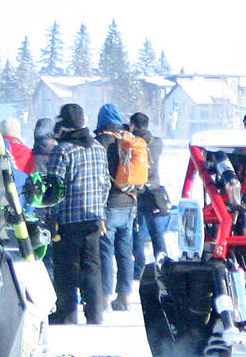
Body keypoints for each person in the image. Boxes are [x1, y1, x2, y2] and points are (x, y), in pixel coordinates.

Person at [47, 104, 110, 324]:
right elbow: (105, 185)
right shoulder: (98, 148)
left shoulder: (62, 150)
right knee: (92, 267)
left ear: (63, 125)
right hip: (93, 217)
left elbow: (55, 187)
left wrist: (50, 215)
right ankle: (95, 314)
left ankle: (67, 313)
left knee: (66, 267)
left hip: (67, 219)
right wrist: (100, 211)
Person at [95, 104, 144, 310]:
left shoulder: (99, 144)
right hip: (129, 201)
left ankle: (105, 295)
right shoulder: (127, 142)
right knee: (124, 250)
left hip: (109, 203)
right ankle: (124, 296)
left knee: (105, 250)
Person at [130, 112, 170, 257]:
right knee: (156, 232)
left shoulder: (132, 143)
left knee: (137, 231)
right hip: (154, 190)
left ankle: (138, 266)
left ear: (133, 125)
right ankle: (162, 261)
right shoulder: (157, 142)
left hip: (137, 190)